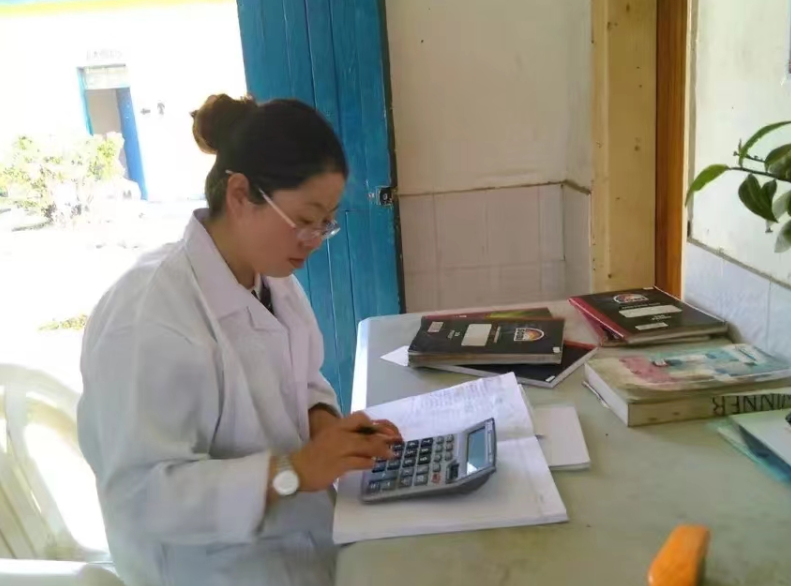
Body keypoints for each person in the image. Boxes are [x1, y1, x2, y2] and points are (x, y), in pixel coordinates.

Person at [77, 94, 400, 586]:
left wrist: (329, 430)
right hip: (213, 570)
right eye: (304, 220)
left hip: (299, 536)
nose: (314, 239)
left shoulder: (268, 277)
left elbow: (302, 380)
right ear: (241, 194)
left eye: (326, 222)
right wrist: (293, 471)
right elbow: (139, 494)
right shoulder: (149, 317)